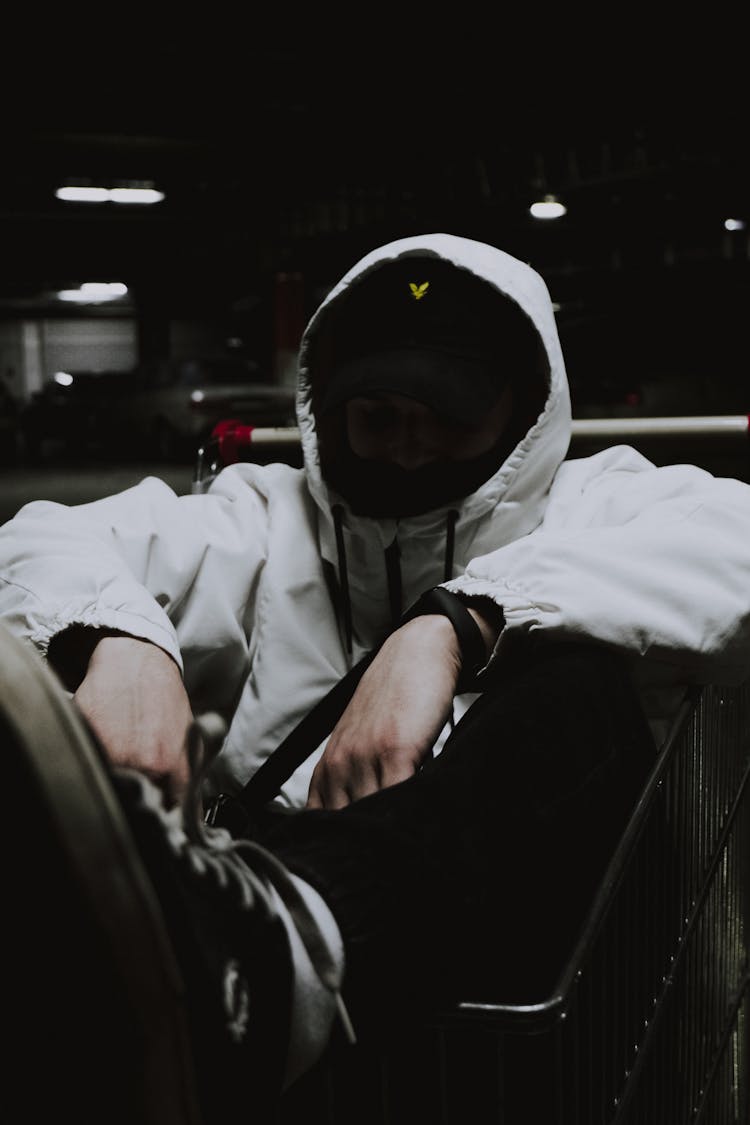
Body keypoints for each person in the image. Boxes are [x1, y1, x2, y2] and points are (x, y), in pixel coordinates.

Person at [2, 232, 750, 1124]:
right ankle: (254, 949)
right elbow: (39, 540)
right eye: (378, 415)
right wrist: (117, 641)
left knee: (581, 679)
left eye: (449, 415)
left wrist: (459, 620)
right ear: (329, 412)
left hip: (537, 980)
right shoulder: (264, 519)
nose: (407, 450)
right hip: (269, 1014)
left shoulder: (598, 504)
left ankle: (280, 942)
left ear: (522, 411)